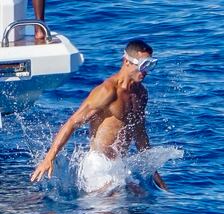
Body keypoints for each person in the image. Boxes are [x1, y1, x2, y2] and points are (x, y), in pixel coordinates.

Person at [30, 39, 168, 191]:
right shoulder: (108, 91)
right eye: (142, 65)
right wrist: (49, 157)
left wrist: (154, 174)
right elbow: (73, 122)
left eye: (150, 65)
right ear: (127, 62)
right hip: (98, 164)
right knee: (113, 204)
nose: (145, 71)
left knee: (139, 198)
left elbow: (140, 134)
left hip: (118, 165)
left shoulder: (141, 93)